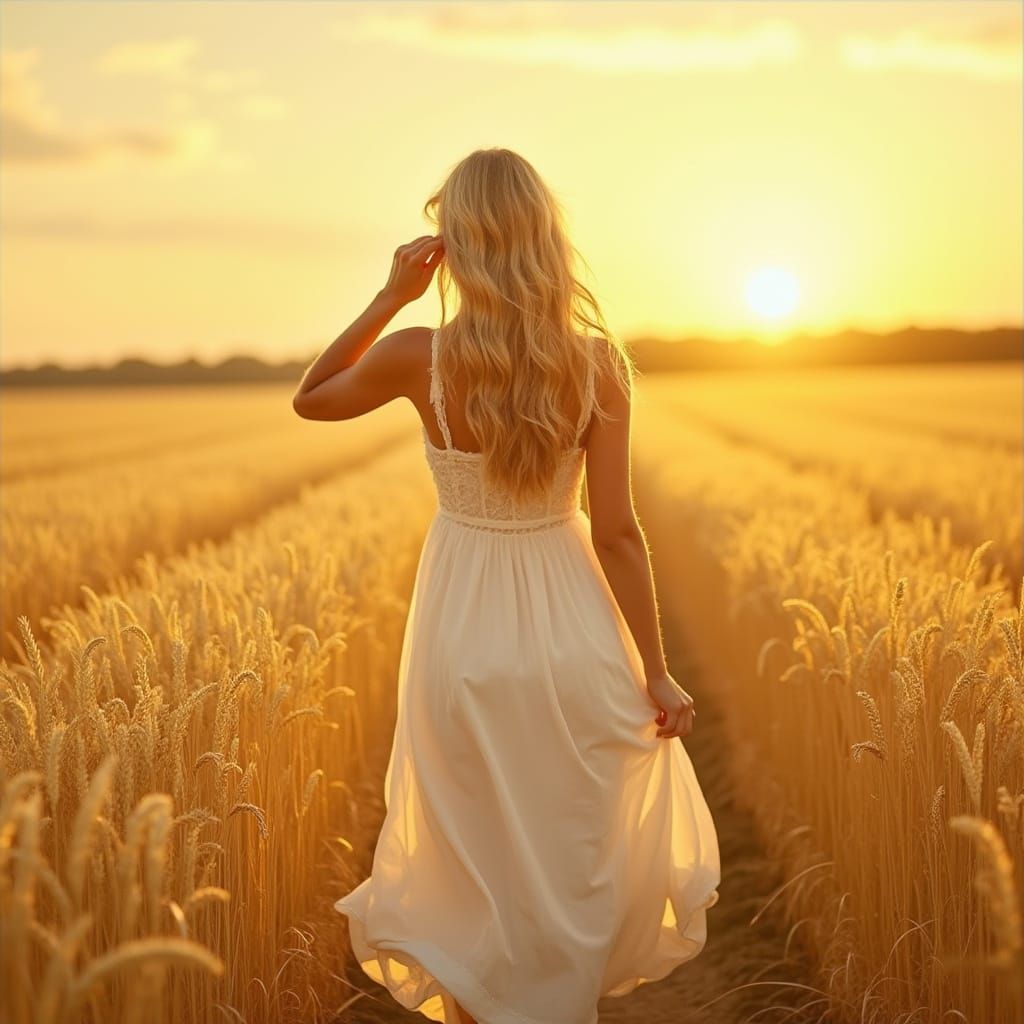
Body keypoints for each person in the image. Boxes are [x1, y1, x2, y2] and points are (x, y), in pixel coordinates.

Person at [293, 148, 720, 1024]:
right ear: (544, 239)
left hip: (462, 632)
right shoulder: (598, 364)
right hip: (574, 632)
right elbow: (617, 534)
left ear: (455, 247)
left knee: (479, 855)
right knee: (569, 847)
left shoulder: (418, 354)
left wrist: (389, 298)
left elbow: (313, 397)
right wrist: (657, 671)